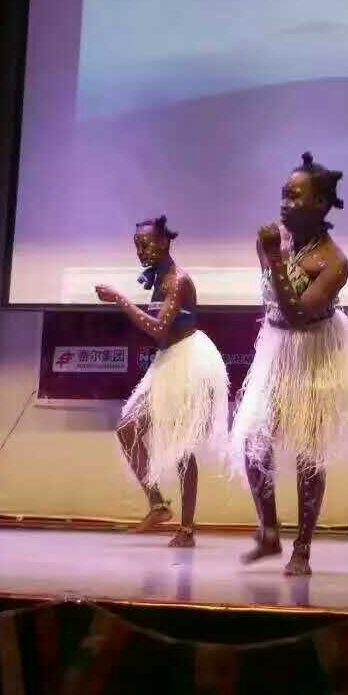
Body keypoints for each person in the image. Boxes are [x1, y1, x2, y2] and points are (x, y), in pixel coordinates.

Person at [232, 152, 348, 576]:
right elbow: (272, 302)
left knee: (309, 454)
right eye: (284, 193)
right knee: (253, 440)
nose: (285, 202)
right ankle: (268, 532)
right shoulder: (271, 240)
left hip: (315, 352)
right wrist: (273, 255)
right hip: (277, 348)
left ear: (321, 204)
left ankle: (302, 548)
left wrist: (276, 258)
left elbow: (297, 312)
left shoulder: (334, 261)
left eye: (295, 196)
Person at [94, 216, 229, 547]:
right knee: (128, 428)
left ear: (165, 242)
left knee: (183, 446)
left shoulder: (177, 280)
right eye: (137, 245)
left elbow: (158, 329)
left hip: (189, 361)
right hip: (168, 360)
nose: (140, 251)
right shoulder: (158, 278)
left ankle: (187, 529)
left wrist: (121, 300)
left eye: (146, 244)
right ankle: (157, 504)